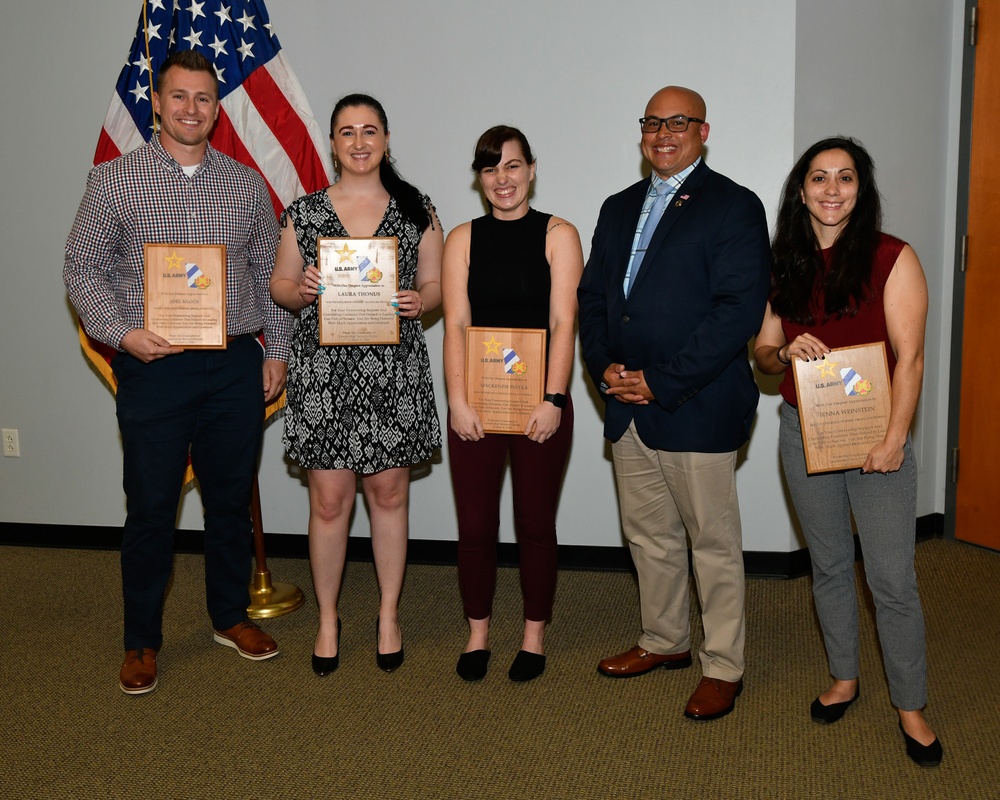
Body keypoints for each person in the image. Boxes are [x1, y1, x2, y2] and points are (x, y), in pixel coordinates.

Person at [64, 51, 291, 695]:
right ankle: (140, 640)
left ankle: (229, 616)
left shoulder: (246, 186)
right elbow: (82, 270)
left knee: (228, 502)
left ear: (217, 108)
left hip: (232, 366)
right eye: (179, 97)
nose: (192, 108)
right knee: (151, 509)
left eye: (203, 98)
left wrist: (275, 349)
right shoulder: (113, 182)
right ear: (157, 104)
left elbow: (270, 279)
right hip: (154, 369)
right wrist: (123, 333)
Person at [577, 86, 770, 719]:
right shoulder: (617, 206)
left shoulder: (734, 207)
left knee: (710, 542)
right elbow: (596, 300)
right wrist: (603, 362)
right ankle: (664, 641)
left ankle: (723, 666)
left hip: (697, 402)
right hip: (627, 403)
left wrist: (661, 379)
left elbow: (735, 312)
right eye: (652, 123)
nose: (664, 133)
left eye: (678, 122)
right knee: (649, 536)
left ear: (703, 130)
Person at [754, 137, 942, 766]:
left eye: (845, 178)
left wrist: (895, 438)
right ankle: (844, 676)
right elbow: (762, 350)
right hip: (801, 430)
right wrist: (785, 352)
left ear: (862, 190)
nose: (831, 190)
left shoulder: (893, 257)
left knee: (891, 580)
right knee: (831, 566)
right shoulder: (786, 262)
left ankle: (911, 706)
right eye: (818, 178)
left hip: (875, 439)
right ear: (800, 189)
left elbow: (910, 359)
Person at [270, 94, 442, 677]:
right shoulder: (305, 211)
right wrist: (305, 288)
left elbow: (437, 283)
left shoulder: (418, 208)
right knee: (329, 501)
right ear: (334, 144)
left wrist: (425, 299)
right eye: (347, 132)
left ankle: (388, 614)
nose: (360, 141)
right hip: (325, 374)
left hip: (392, 374)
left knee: (390, 496)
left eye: (370, 130)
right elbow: (281, 288)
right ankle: (327, 618)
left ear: (386, 139)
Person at [441, 126, 583, 683]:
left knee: (534, 524)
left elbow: (563, 322)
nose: (502, 179)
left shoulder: (559, 234)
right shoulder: (462, 238)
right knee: (475, 527)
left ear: (531, 170)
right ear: (480, 177)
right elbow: (454, 324)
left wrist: (555, 398)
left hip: (538, 406)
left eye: (513, 166)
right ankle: (477, 633)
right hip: (474, 406)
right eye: (490, 168)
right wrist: (457, 400)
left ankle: (532, 635)